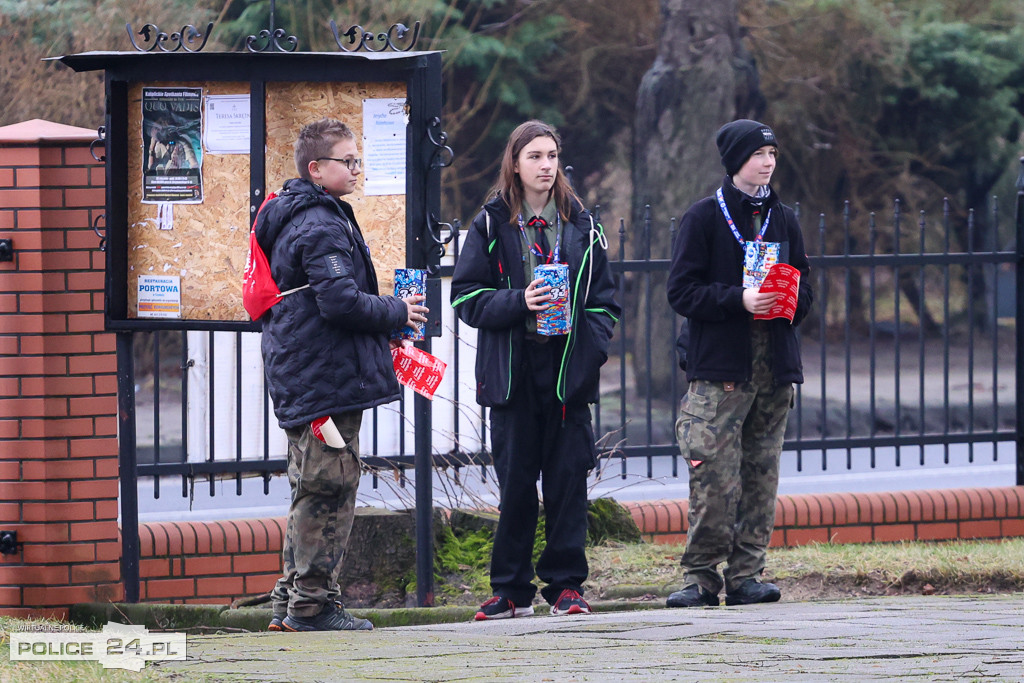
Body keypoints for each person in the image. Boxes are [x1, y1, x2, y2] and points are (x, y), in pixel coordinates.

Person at [254, 118, 428, 631]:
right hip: (324, 378)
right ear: (316, 168)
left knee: (311, 486)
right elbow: (340, 302)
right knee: (330, 486)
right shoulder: (320, 223)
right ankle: (312, 605)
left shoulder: (300, 215)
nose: (357, 169)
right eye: (347, 161)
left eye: (357, 160)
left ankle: (289, 603)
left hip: (308, 373)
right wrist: (397, 312)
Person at [451, 120, 620, 620]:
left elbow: (605, 303)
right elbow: (466, 297)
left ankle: (567, 586)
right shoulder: (491, 223)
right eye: (536, 157)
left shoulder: (582, 225)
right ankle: (509, 589)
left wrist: (589, 353)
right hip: (513, 370)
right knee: (517, 483)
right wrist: (519, 301)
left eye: (552, 156)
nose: (546, 166)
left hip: (569, 369)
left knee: (568, 481)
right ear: (516, 164)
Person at [665, 119, 813, 608]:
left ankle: (748, 573)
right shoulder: (704, 217)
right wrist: (739, 299)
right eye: (758, 154)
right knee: (714, 479)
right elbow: (682, 291)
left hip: (773, 374)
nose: (768, 163)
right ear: (735, 162)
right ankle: (700, 577)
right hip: (721, 375)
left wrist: (791, 299)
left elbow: (808, 285)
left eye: (773, 154)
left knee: (761, 475)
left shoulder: (784, 218)